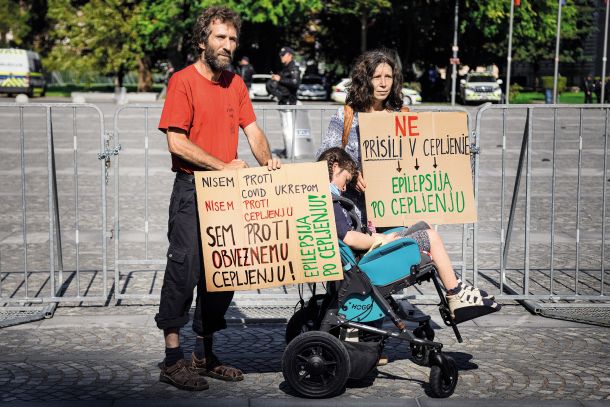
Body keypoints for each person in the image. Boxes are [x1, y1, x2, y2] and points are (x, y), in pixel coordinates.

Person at [156, 6, 281, 391]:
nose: (227, 45)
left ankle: (204, 355)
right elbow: (176, 141)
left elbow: (253, 130)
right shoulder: (182, 82)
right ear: (202, 41)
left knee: (223, 274)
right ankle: (173, 358)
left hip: (229, 195)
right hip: (193, 190)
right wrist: (221, 166)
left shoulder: (236, 84)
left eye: (232, 39)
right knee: (185, 268)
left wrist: (269, 163)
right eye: (219, 38)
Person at [318, 147, 501, 320]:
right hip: (366, 259)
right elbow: (349, 237)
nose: (344, 187)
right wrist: (380, 240)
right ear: (335, 167)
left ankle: (456, 284)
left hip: (366, 251)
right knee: (431, 237)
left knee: (423, 226)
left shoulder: (328, 198)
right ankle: (454, 293)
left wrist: (378, 237)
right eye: (346, 180)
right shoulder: (330, 201)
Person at [316, 48, 406, 227]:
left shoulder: (400, 118)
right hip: (352, 215)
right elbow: (325, 157)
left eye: (388, 77)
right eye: (376, 77)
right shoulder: (346, 116)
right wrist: (353, 174)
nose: (383, 84)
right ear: (365, 80)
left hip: (392, 215)